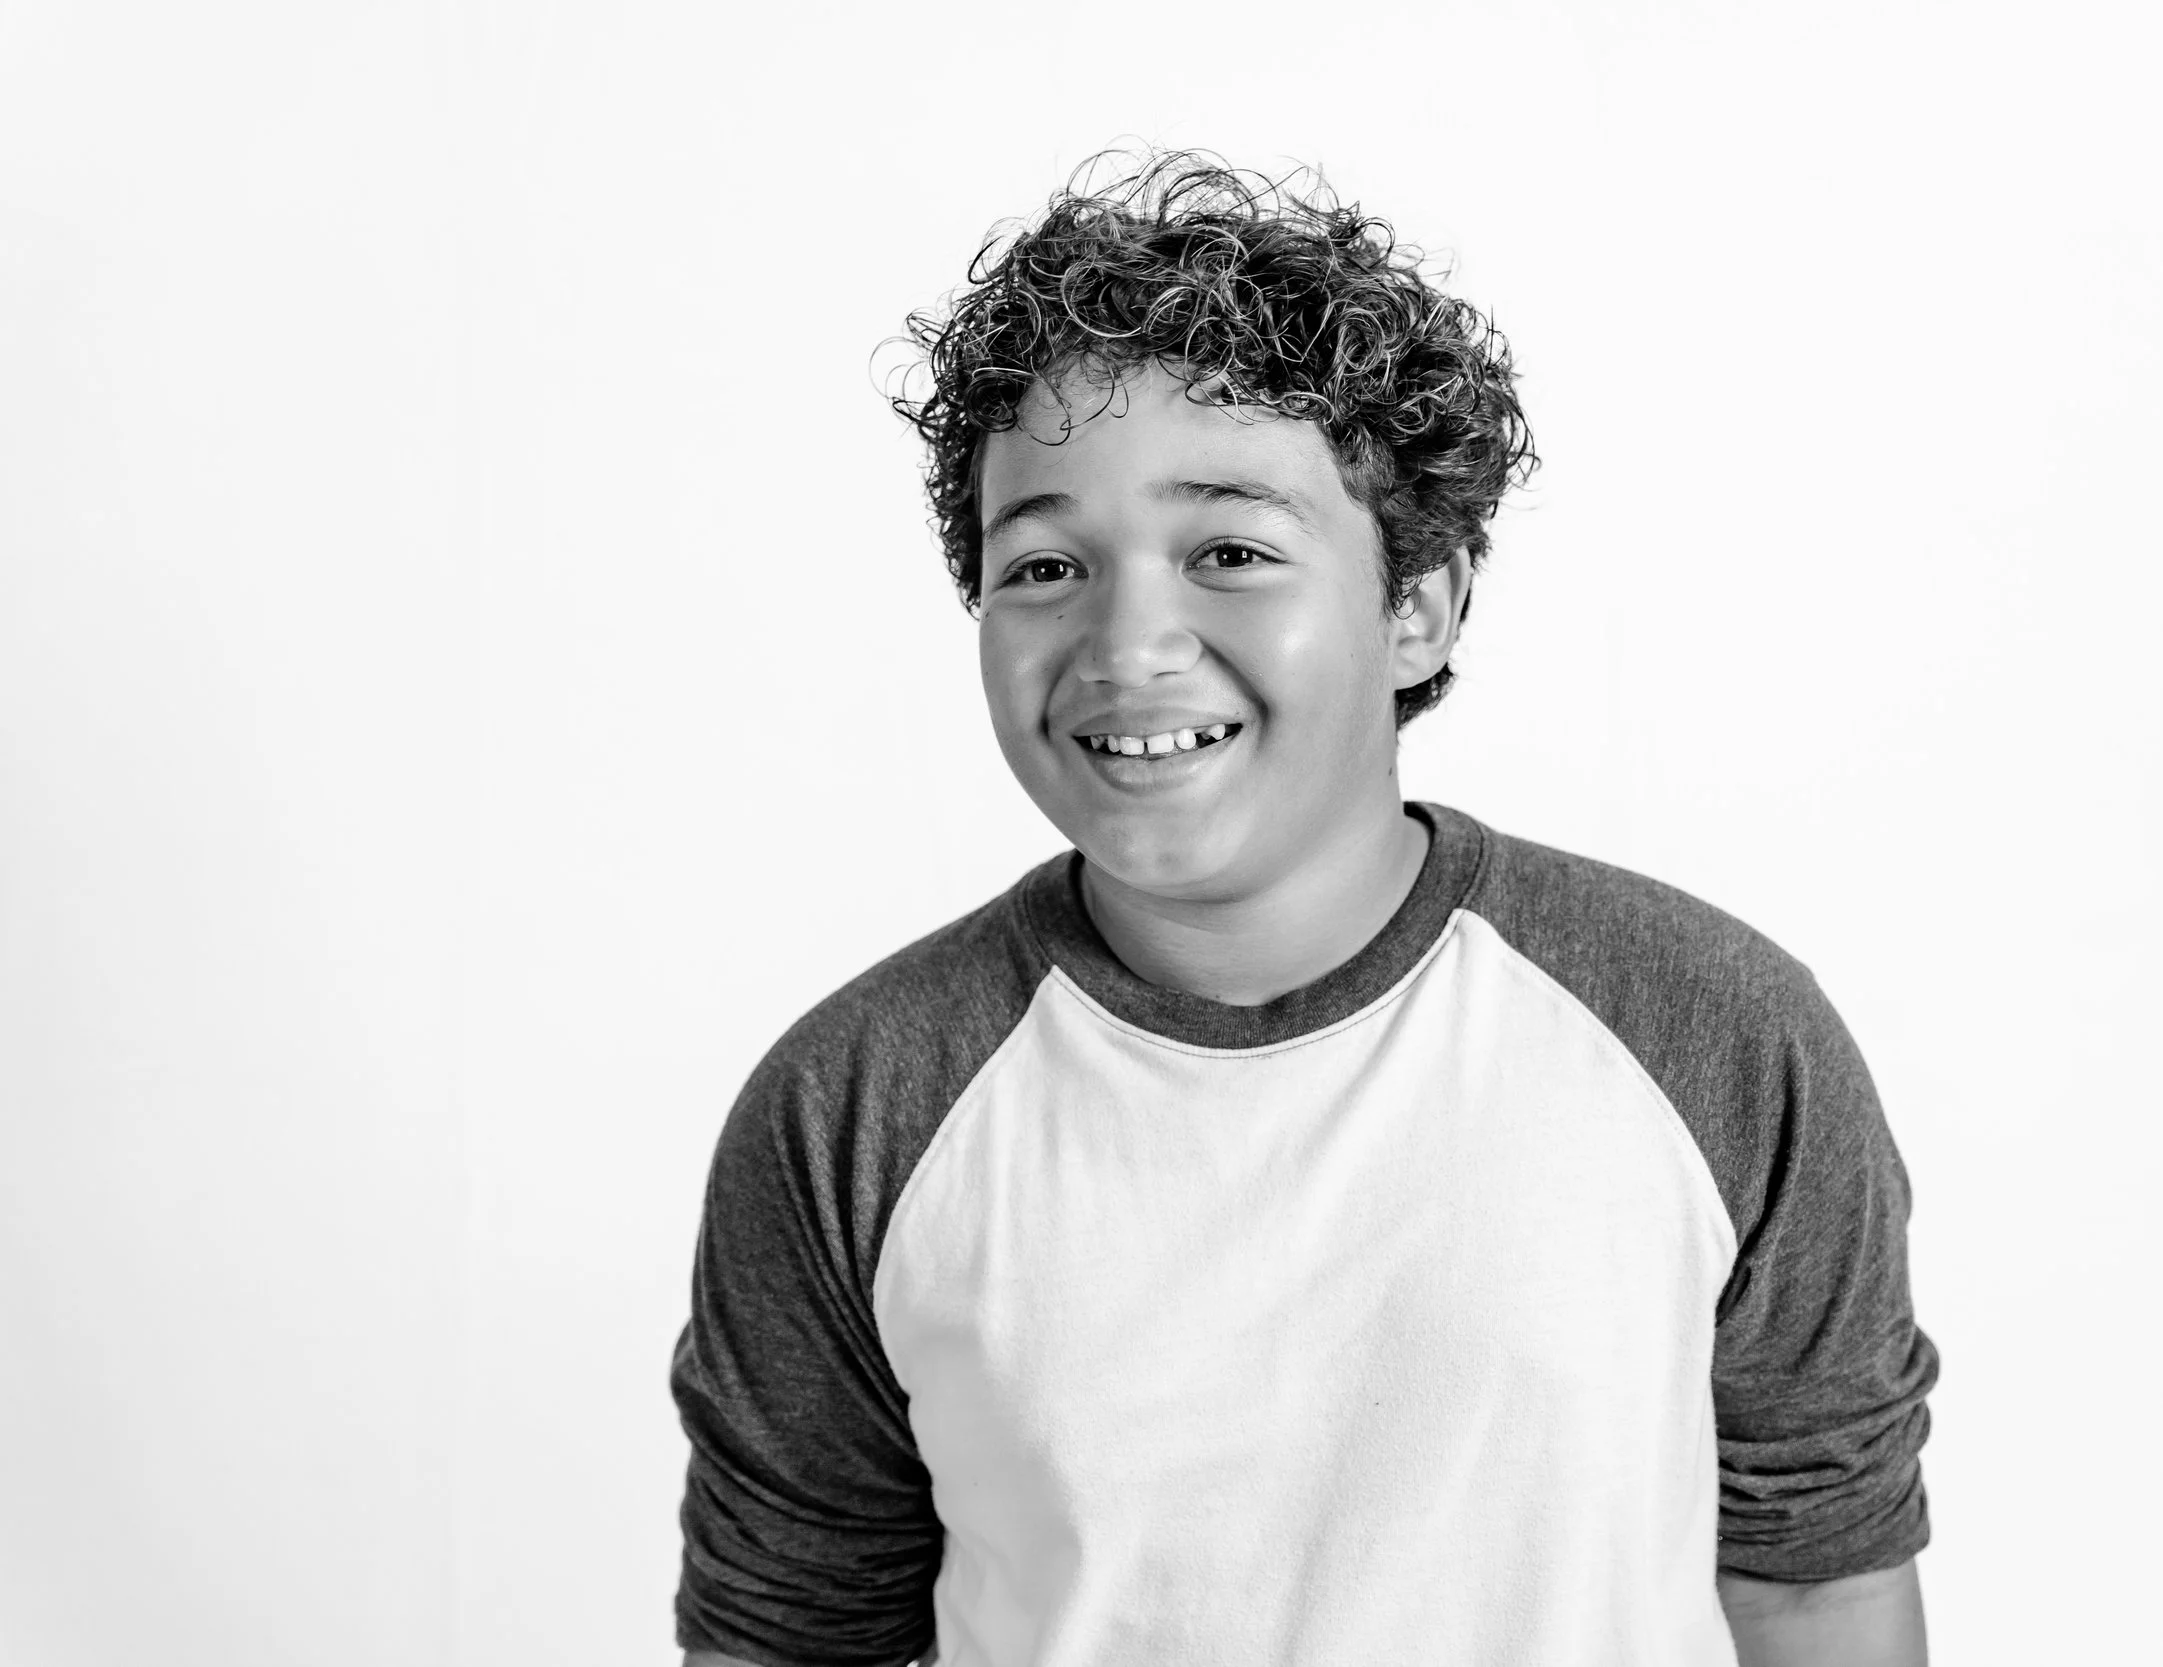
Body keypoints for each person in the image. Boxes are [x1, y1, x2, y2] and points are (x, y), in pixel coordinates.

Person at [671, 151, 1940, 1667]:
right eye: (1048, 564)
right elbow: (789, 1641)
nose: (1130, 641)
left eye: (1231, 551)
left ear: (1419, 606)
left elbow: (1815, 1582)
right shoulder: (856, 1106)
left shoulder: (1709, 1031)